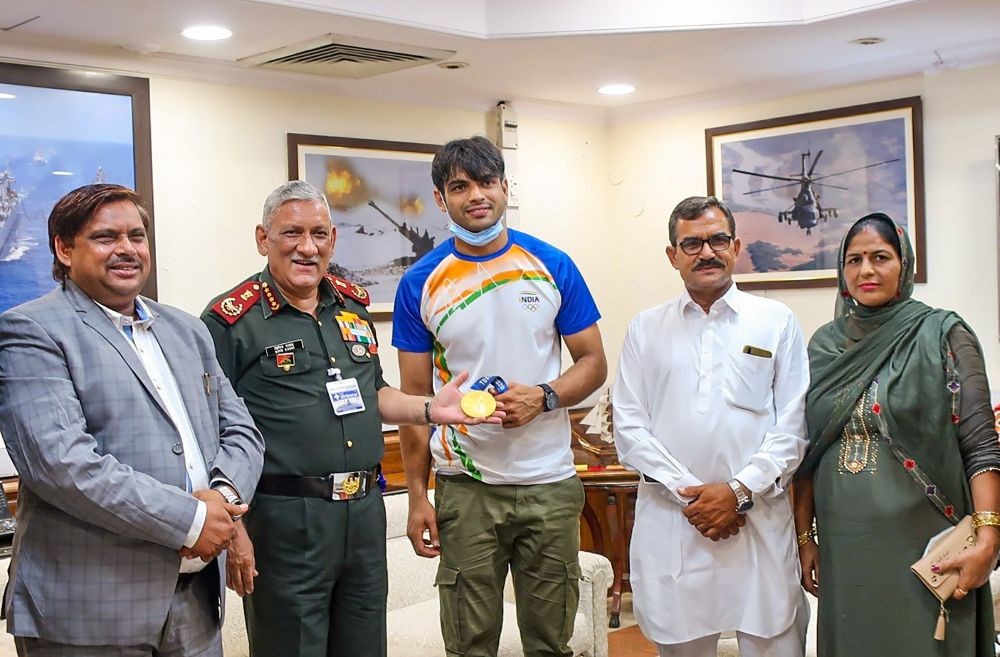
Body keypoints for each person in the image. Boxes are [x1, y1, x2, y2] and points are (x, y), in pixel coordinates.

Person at [201, 180, 503, 657]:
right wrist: (233, 528)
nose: (307, 247)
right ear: (263, 239)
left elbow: (374, 392)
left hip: (363, 513)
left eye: (319, 233)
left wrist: (430, 408)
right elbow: (207, 433)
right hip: (285, 518)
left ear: (333, 239)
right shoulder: (231, 321)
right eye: (291, 234)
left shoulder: (351, 306)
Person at [0, 184, 264, 656]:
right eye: (105, 237)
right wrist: (191, 519)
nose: (126, 249)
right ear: (64, 248)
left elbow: (242, 432)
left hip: (195, 602)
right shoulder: (30, 330)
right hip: (90, 611)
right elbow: (63, 467)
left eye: (136, 236)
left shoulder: (187, 329)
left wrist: (220, 501)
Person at [392, 135, 607, 657]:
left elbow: (594, 363)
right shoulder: (420, 281)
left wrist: (545, 396)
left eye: (487, 182)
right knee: (469, 645)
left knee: (552, 642)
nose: (477, 196)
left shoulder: (552, 263)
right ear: (442, 199)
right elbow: (415, 400)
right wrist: (419, 496)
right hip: (466, 487)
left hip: (550, 484)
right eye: (460, 187)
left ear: (505, 187)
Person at [793, 212, 1000, 657]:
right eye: (854, 259)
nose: (866, 270)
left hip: (926, 547)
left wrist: (989, 536)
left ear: (904, 265)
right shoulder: (823, 347)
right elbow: (805, 453)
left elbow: (981, 445)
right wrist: (805, 538)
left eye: (880, 257)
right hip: (846, 549)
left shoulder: (944, 334)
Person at [612, 195, 810, 657]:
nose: (707, 252)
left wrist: (738, 492)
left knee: (774, 638)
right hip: (677, 523)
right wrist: (698, 499)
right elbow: (630, 428)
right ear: (672, 255)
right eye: (692, 243)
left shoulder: (775, 321)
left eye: (718, 239)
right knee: (681, 643)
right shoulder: (645, 328)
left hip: (757, 520)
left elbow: (793, 426)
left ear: (736, 246)